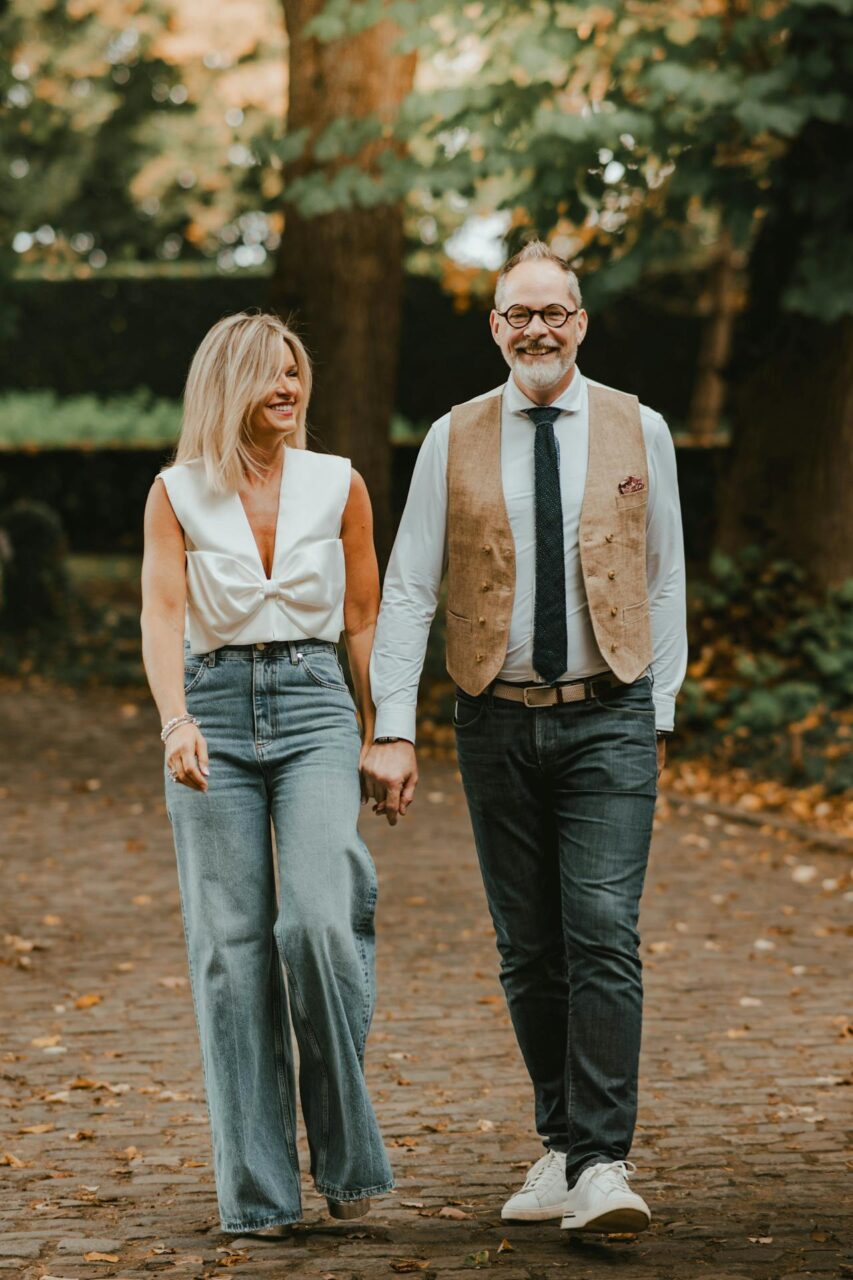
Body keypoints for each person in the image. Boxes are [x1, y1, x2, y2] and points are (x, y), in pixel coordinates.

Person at [363, 241, 687, 1235]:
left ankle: (600, 1160)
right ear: (494, 325)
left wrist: (657, 713)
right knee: (526, 947)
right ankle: (562, 1142)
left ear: (581, 323)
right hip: (493, 718)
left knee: (599, 931)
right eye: (518, 314)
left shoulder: (640, 427)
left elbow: (663, 574)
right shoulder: (451, 436)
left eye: (555, 312)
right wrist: (392, 727)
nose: (537, 329)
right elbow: (411, 584)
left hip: (609, 714)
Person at [140, 311, 393, 1236]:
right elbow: (162, 616)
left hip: (315, 701)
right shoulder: (175, 493)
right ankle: (259, 1196)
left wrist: (384, 733)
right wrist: (174, 723)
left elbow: (361, 619)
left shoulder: (340, 484)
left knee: (318, 923)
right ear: (226, 384)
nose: (287, 388)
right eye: (267, 374)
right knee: (229, 953)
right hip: (210, 710)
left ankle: (344, 1153)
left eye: (295, 372)